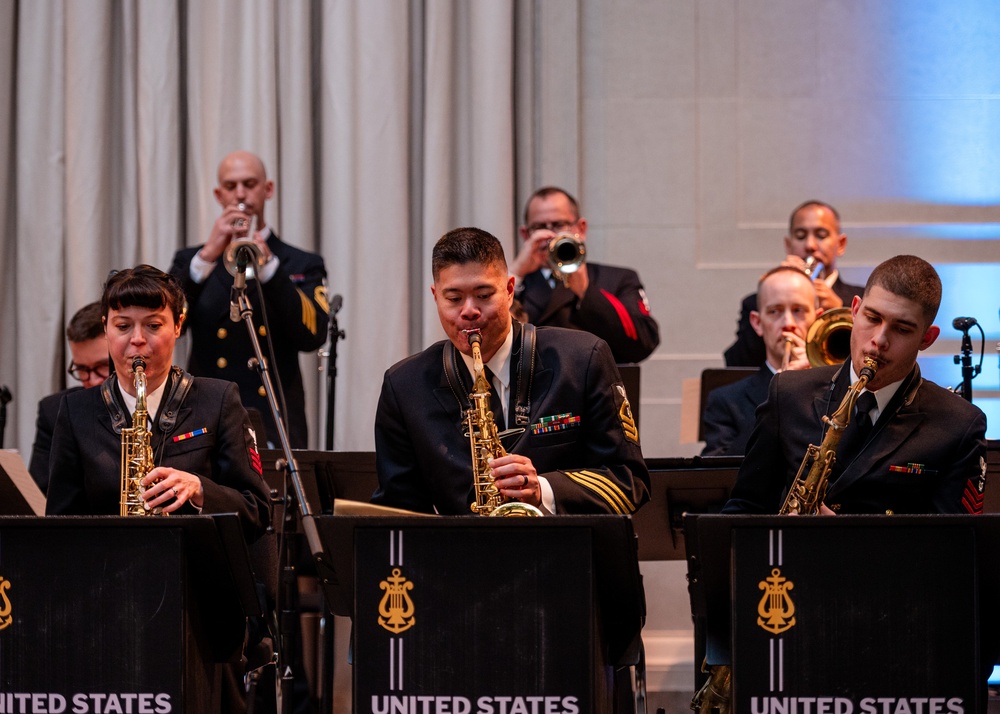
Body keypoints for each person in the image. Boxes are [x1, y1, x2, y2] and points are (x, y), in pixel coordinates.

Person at [372, 226, 650, 515]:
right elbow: (397, 510)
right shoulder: (404, 386)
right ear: (435, 296)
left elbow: (629, 482)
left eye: (483, 294)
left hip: (569, 554)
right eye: (453, 298)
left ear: (508, 290)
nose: (469, 311)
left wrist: (544, 489)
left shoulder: (582, 359)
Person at [723, 254, 987, 515]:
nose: (879, 340)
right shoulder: (788, 394)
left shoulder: (959, 425)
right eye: (872, 318)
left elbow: (956, 549)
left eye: (902, 329)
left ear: (927, 338)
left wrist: (845, 538)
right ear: (855, 309)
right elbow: (744, 510)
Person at [170, 150, 329, 448]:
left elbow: (312, 336)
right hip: (205, 418)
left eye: (250, 183)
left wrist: (270, 268)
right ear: (219, 195)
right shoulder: (191, 261)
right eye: (230, 187)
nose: (240, 194)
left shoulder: (299, 263)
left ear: (267, 190)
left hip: (274, 419)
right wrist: (206, 257)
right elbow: (167, 321)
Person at [511, 186, 659, 364]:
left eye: (559, 225)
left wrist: (586, 292)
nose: (550, 236)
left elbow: (643, 343)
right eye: (539, 227)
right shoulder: (515, 284)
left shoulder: (618, 279)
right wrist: (516, 272)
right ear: (526, 234)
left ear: (580, 229)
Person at [724, 200, 864, 367]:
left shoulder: (863, 300)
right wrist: (771, 292)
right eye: (800, 236)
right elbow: (737, 364)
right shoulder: (753, 303)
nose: (810, 245)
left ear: (840, 244)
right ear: (788, 245)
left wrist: (841, 311)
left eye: (821, 235)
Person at [701, 267, 817, 456]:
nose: (788, 322)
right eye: (774, 311)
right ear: (757, 323)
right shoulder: (725, 402)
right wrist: (777, 400)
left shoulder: (843, 391)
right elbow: (720, 472)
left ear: (818, 318)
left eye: (798, 310)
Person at [28, 302, 108, 492]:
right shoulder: (54, 410)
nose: (93, 380)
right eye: (82, 369)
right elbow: (41, 494)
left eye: (103, 366)